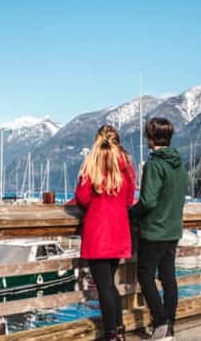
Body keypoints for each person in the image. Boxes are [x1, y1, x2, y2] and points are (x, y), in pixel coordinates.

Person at [75, 125, 136, 341]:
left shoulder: (91, 162)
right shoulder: (126, 164)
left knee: (105, 287)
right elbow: (129, 199)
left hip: (98, 232)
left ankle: (112, 334)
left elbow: (82, 198)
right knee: (110, 284)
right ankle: (118, 330)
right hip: (119, 229)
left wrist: (97, 203)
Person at [129, 117, 187, 341]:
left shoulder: (154, 164)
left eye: (147, 136)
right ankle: (169, 325)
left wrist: (129, 214)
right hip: (173, 230)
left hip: (154, 231)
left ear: (151, 138)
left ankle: (161, 323)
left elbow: (148, 201)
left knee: (145, 275)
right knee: (169, 278)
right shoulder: (179, 164)